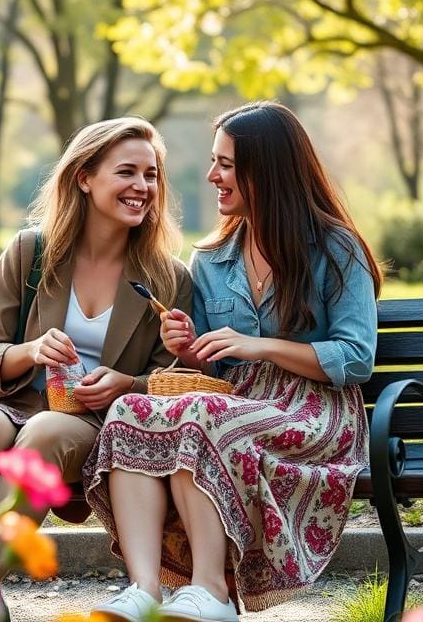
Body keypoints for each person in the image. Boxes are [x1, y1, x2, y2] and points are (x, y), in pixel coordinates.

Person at [85, 101, 382, 622]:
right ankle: (145, 589)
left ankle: (212, 592)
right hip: (235, 402)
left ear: (264, 171)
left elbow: (356, 359)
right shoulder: (212, 259)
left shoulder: (336, 249)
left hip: (312, 411)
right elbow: (211, 375)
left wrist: (258, 345)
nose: (211, 175)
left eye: (225, 163)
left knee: (200, 418)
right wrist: (188, 348)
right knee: (129, 411)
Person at [0, 117, 192, 614]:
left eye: (152, 175)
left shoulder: (166, 277)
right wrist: (29, 351)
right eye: (127, 172)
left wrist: (124, 384)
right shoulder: (31, 252)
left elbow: (167, 383)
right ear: (84, 178)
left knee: (46, 430)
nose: (143, 187)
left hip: (90, 422)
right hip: (9, 401)